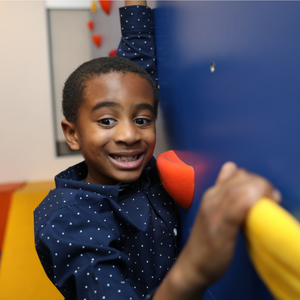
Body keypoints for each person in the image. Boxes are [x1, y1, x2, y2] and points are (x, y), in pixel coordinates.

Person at [34, 2, 281, 300]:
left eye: (142, 120)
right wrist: (197, 267)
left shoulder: (142, 170)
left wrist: (135, 7)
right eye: (106, 121)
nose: (128, 135)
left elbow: (135, 76)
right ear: (73, 134)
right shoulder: (67, 220)